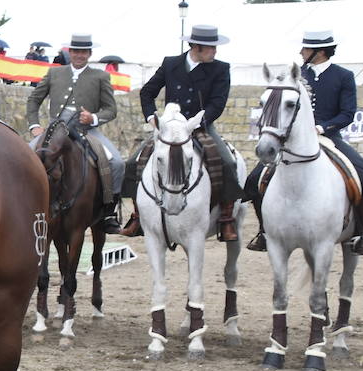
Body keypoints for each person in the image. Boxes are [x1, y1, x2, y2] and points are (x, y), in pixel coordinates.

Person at [242, 30, 363, 253]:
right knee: (254, 180)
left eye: (306, 49)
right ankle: (264, 231)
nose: (301, 52)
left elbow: (347, 113)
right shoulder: (296, 75)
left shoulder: (343, 76)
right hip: (294, 141)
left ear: (320, 51)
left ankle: (360, 233)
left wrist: (323, 127)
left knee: (361, 173)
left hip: (329, 136)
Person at [118, 24, 239, 241]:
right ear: (196, 46)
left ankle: (227, 219)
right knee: (132, 163)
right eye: (211, 47)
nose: (215, 51)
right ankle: (137, 216)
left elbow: (218, 103)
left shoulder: (221, 68)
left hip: (199, 126)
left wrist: (197, 122)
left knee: (228, 163)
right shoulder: (171, 63)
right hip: (169, 127)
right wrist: (152, 118)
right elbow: (147, 92)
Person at [26, 34, 124, 233]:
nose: (79, 55)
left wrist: (94, 118)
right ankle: (22, 205)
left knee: (117, 163)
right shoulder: (55, 73)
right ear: (69, 52)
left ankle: (108, 212)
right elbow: (34, 100)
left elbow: (110, 109)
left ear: (89, 53)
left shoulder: (100, 76)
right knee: (24, 156)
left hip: (87, 130)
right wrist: (35, 125)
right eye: (76, 51)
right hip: (55, 129)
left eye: (83, 52)